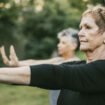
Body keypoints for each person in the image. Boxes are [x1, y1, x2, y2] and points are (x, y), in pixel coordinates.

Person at [0, 5, 105, 105]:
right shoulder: (75, 65)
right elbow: (41, 69)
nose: (80, 33)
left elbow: (56, 74)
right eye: (80, 27)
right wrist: (16, 66)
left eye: (88, 27)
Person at [0, 28, 80, 105]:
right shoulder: (59, 60)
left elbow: (46, 68)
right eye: (59, 42)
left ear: (73, 45)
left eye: (63, 43)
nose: (58, 45)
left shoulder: (76, 64)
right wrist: (17, 63)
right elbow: (36, 62)